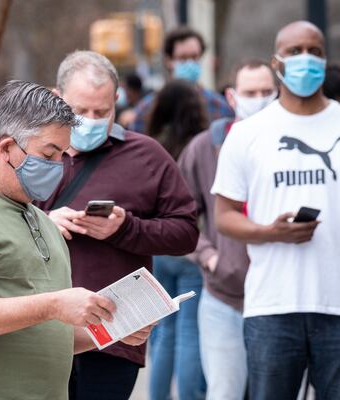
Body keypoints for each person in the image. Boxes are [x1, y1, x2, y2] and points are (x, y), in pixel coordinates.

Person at [0, 80, 151, 399]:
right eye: (49, 155)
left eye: (62, 156)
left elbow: (48, 333)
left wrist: (113, 329)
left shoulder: (42, 220)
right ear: (7, 147)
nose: (58, 168)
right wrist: (54, 305)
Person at [211, 21, 340, 399]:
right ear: (276, 61)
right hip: (271, 305)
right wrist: (270, 232)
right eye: (295, 52)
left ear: (325, 60)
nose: (305, 60)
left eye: (314, 51)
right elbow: (223, 216)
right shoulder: (247, 134)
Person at [35, 51, 199, 400]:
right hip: (39, 329)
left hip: (114, 332)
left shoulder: (147, 156)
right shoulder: (31, 152)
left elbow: (186, 233)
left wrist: (126, 229)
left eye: (101, 112)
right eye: (79, 111)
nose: (90, 121)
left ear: (117, 103)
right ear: (57, 98)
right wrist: (44, 222)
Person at [178, 58, 277, 400]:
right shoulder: (205, 148)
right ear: (233, 97)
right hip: (225, 295)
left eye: (267, 91)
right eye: (251, 92)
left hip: (282, 295)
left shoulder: (291, 144)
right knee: (225, 392)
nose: (260, 98)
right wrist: (209, 255)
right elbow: (180, 215)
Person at [144, 79, 209, 400]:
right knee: (189, 331)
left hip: (156, 246)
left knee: (162, 331)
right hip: (190, 247)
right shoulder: (199, 145)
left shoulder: (149, 145)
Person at [130, 26, 234, 133]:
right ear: (168, 61)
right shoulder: (148, 109)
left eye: (194, 57)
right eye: (182, 58)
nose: (189, 63)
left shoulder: (219, 106)